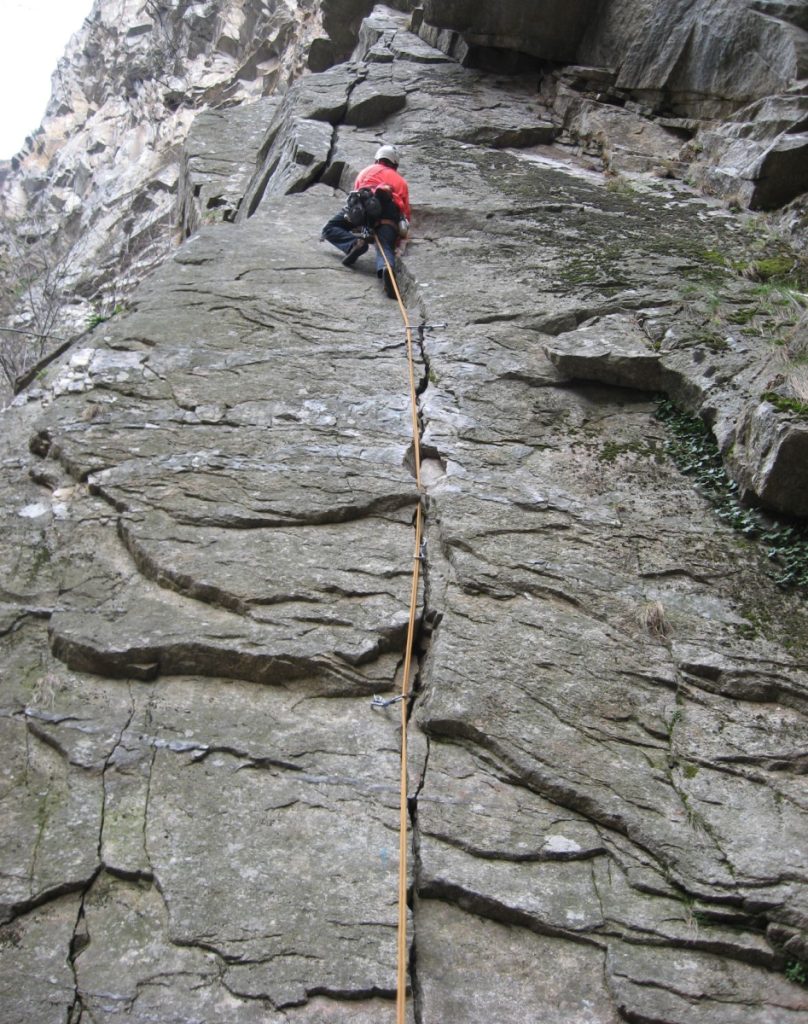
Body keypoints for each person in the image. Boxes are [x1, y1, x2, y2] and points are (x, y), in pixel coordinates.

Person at [321, 144, 411, 299]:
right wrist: (399, 239)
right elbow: (405, 212)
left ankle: (353, 244)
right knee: (384, 246)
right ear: (395, 163)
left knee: (330, 228)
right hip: (388, 214)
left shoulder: (365, 171)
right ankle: (386, 269)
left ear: (378, 158)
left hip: (362, 209)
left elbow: (354, 195)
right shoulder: (400, 181)